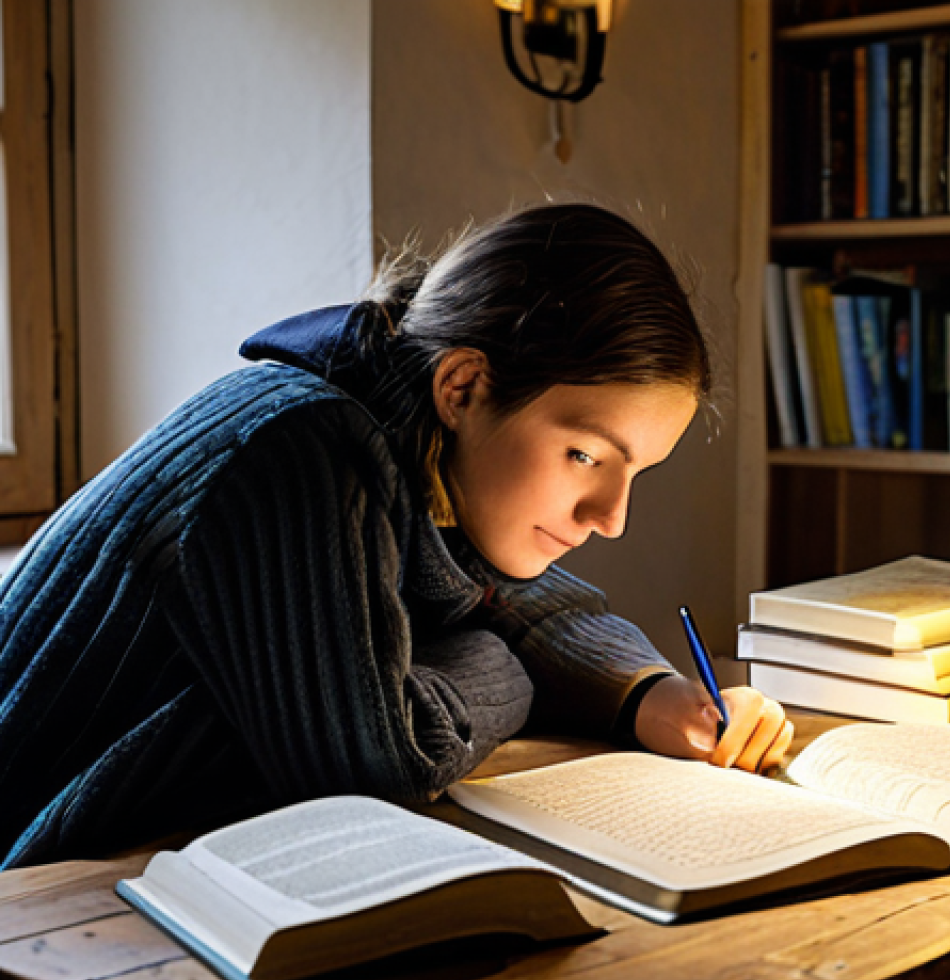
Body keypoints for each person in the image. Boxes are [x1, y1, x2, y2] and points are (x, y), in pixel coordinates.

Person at [0, 203, 791, 869]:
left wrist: (650, 695)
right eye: (584, 455)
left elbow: (525, 599)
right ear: (463, 385)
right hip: (36, 898)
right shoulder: (304, 447)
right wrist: (501, 665)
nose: (610, 517)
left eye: (635, 472)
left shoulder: (423, 459)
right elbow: (382, 767)